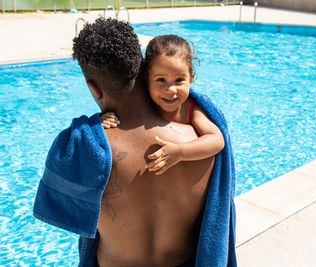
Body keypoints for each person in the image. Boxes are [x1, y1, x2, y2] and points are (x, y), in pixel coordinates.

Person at [33, 17, 237, 267]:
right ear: (143, 72)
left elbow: (62, 211)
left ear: (93, 88)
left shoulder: (84, 146)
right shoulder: (199, 142)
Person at [101, 34, 225, 175]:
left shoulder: (190, 109)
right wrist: (105, 119)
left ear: (191, 79)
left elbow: (217, 140)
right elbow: (122, 117)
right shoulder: (143, 104)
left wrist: (180, 152)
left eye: (179, 80)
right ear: (147, 80)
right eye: (161, 80)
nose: (171, 89)